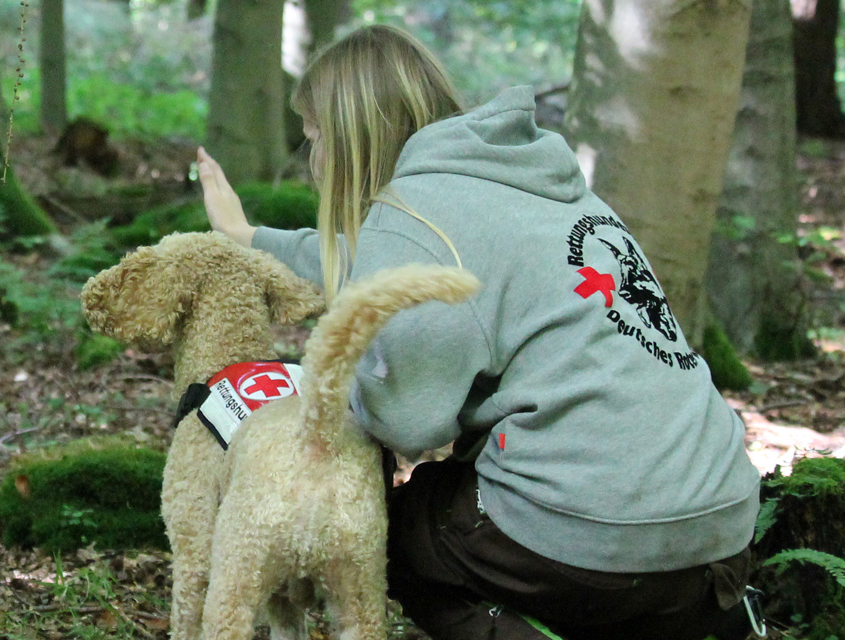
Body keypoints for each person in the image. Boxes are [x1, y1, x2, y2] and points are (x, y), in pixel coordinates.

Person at [195, 25, 761, 640]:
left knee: (392, 528)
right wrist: (249, 240)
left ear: (351, 132)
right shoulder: (534, 183)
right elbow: (374, 264)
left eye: (314, 136)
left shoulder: (414, 219)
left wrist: (337, 385)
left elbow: (406, 424)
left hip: (597, 539)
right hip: (720, 532)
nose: (313, 158)